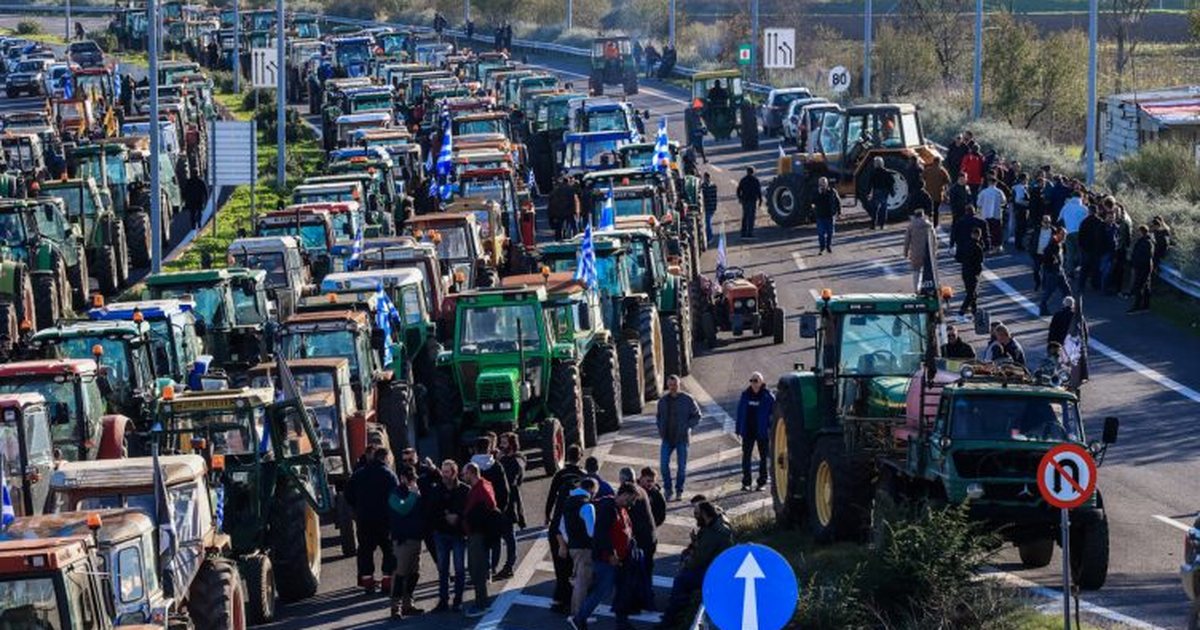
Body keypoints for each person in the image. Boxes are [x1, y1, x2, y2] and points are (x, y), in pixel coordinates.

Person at [571, 483, 638, 630]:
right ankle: (580, 618)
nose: (631, 503)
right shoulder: (608, 509)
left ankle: (621, 621)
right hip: (607, 559)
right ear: (624, 494)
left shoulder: (621, 509)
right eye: (630, 499)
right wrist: (611, 554)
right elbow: (601, 535)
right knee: (603, 589)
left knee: (618, 589)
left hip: (620, 559)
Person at [656, 501, 734, 629]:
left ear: (704, 514)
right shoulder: (716, 524)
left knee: (682, 580)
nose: (695, 517)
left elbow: (699, 559)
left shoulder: (714, 533)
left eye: (697, 514)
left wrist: (686, 563)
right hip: (715, 567)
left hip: (713, 572)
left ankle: (671, 618)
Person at [346, 448, 399, 594]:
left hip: (364, 519)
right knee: (389, 550)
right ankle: (387, 582)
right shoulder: (389, 475)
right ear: (386, 458)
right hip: (384, 520)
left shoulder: (358, 474)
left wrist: (358, 508)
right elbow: (396, 496)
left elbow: (348, 495)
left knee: (365, 551)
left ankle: (368, 582)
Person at [546, 445, 586, 614]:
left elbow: (550, 495)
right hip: (571, 533)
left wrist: (547, 514)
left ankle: (559, 599)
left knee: (560, 568)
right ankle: (568, 600)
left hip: (555, 530)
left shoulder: (560, 475)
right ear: (580, 457)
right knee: (571, 569)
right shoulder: (583, 477)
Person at [430, 460, 469, 612]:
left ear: (454, 473)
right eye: (443, 471)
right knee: (443, 569)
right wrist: (444, 516)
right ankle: (443, 600)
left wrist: (457, 516)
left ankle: (458, 599)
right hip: (441, 534)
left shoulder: (464, 490)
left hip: (458, 534)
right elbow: (431, 511)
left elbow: (468, 510)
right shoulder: (437, 490)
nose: (444, 475)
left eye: (447, 472)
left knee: (459, 569)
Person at [388, 465, 427, 619]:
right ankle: (395, 608)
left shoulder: (417, 494)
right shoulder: (394, 494)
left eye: (413, 478)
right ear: (402, 478)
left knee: (413, 574)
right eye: (409, 478)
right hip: (402, 541)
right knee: (399, 574)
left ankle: (408, 604)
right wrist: (413, 495)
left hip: (416, 539)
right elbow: (402, 509)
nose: (412, 481)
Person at [468, 436, 509, 581]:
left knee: (480, 543)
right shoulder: (496, 466)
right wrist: (500, 509)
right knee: (495, 541)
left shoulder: (471, 467)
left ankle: (482, 569)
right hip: (494, 510)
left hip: (477, 513)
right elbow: (505, 490)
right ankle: (493, 568)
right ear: (488, 448)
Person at [656, 375, 702, 501]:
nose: (672, 387)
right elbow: (658, 417)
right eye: (670, 385)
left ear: (679, 385)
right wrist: (660, 429)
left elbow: (697, 416)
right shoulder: (663, 401)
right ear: (667, 385)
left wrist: (688, 427)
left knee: (681, 467)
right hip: (667, 438)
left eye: (675, 385)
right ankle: (668, 490)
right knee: (663, 465)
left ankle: (679, 491)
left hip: (682, 438)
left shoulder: (687, 399)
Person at [462, 462, 498, 617]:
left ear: (471, 472)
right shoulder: (485, 485)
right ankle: (480, 602)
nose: (463, 476)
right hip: (476, 533)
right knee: (475, 567)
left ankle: (481, 604)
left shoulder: (481, 488)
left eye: (465, 474)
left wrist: (477, 522)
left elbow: (490, 506)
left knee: (477, 569)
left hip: (478, 534)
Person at [559, 478, 597, 620]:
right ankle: (579, 615)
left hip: (574, 547)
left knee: (577, 582)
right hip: (585, 548)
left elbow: (561, 526)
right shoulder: (587, 506)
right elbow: (592, 532)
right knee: (582, 583)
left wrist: (570, 542)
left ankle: (575, 612)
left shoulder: (568, 502)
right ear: (591, 490)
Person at [735, 372, 774, 492]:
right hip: (748, 432)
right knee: (746, 457)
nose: (753, 383)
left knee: (764, 458)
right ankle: (746, 482)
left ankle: (761, 482)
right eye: (751, 380)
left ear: (761, 382)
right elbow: (740, 413)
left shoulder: (768, 397)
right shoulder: (745, 395)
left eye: (756, 381)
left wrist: (771, 429)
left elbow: (775, 415)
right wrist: (738, 429)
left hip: (762, 432)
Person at [495, 432, 525, 580]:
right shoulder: (506, 459)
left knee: (509, 535)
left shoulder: (516, 461)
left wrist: (499, 463)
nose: (501, 446)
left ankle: (509, 565)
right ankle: (494, 565)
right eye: (501, 442)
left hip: (510, 502)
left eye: (505, 443)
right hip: (501, 500)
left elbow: (511, 480)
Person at [1038, 227, 1072, 317]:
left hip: (1058, 270)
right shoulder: (1053, 244)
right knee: (1050, 291)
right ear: (1057, 234)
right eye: (1063, 234)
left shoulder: (1058, 243)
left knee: (1066, 290)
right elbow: (1047, 255)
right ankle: (1043, 308)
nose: (1064, 236)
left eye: (1065, 235)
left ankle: (1069, 308)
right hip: (1053, 271)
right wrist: (1053, 262)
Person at [903, 208, 937, 293]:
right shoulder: (929, 225)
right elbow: (934, 239)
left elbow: (907, 240)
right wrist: (934, 251)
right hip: (927, 252)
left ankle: (916, 289)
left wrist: (905, 252)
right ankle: (928, 288)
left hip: (915, 252)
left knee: (916, 271)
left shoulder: (911, 226)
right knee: (928, 271)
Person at [1059, 191, 1088, 278]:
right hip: (1080, 233)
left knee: (1069, 253)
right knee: (1080, 253)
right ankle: (1078, 269)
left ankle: (1069, 272)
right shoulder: (1084, 209)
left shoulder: (1066, 206)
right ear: (1081, 197)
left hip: (1068, 232)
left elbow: (1059, 219)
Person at [1128, 224, 1155, 314]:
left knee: (1139, 286)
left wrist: (1136, 263)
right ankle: (1145, 306)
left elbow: (1146, 256)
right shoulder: (1146, 241)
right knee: (1146, 287)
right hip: (1144, 266)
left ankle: (1137, 306)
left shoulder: (1147, 242)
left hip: (1143, 267)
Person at [958, 227, 985, 318]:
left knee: (972, 293)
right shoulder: (978, 247)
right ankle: (961, 312)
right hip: (973, 273)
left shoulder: (965, 245)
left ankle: (974, 311)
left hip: (965, 271)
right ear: (978, 235)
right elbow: (980, 261)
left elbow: (958, 257)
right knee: (971, 293)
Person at [976, 176, 1006, 253]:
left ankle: (989, 246)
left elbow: (978, 203)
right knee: (997, 231)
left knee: (987, 232)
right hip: (997, 214)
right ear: (996, 183)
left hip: (986, 214)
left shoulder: (983, 192)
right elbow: (1003, 201)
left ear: (988, 182)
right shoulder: (999, 192)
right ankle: (998, 246)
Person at [811, 176, 840, 254]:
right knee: (821, 233)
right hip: (820, 216)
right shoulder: (816, 192)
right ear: (819, 184)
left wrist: (839, 212)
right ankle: (822, 247)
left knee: (830, 232)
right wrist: (818, 195)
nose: (823, 185)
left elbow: (838, 201)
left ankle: (828, 246)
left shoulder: (832, 191)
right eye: (821, 183)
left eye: (824, 183)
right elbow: (812, 201)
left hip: (830, 215)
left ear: (827, 184)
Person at [868, 157, 897, 230]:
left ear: (875, 164)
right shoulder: (887, 173)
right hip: (885, 192)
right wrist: (892, 192)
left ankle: (873, 225)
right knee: (883, 209)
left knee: (874, 209)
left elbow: (870, 183)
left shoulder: (873, 172)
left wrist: (869, 192)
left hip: (876, 191)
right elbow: (891, 182)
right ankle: (882, 225)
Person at [922, 156, 951, 228]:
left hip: (928, 193)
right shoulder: (942, 170)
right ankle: (935, 224)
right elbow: (948, 180)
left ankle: (928, 222)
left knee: (927, 209)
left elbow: (922, 177)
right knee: (936, 210)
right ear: (939, 162)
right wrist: (942, 184)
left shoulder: (927, 170)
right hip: (938, 194)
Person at [735, 167, 762, 239]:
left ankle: (743, 232)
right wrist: (760, 200)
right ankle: (750, 232)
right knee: (751, 217)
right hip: (752, 200)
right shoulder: (755, 180)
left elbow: (738, 190)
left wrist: (740, 198)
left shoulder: (743, 180)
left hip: (745, 200)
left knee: (745, 216)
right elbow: (758, 191)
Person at [1031, 214, 1055, 291]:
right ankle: (1038, 283)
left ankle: (1044, 287)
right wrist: (1031, 251)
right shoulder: (1037, 230)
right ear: (1042, 222)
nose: (1047, 224)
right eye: (1045, 222)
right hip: (1038, 254)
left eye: (1049, 222)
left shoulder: (1054, 231)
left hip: (1048, 255)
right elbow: (1032, 241)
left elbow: (1058, 243)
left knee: (1046, 272)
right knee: (1036, 271)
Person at [1011, 173, 1030, 251]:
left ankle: (1019, 244)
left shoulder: (1019, 187)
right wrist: (1029, 203)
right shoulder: (1020, 188)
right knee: (1021, 227)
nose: (1027, 181)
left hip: (1020, 210)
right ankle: (1019, 245)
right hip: (1021, 210)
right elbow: (1018, 200)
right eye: (1026, 179)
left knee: (1020, 227)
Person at [700, 171, 718, 243]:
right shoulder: (714, 185)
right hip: (712, 206)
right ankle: (709, 236)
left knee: (708, 223)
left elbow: (705, 195)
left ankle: (709, 237)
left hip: (708, 206)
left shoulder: (704, 186)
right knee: (708, 222)